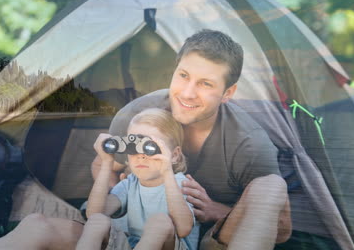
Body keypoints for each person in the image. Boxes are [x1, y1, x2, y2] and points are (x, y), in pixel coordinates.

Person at [91, 29, 292, 250]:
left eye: (206, 84)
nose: (187, 93)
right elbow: (103, 164)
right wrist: (125, 195)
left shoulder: (248, 143)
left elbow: (282, 230)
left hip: (217, 240)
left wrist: (217, 211)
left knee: (272, 185)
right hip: (151, 237)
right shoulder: (139, 117)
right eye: (183, 75)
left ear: (228, 93)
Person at [78, 108, 199, 250]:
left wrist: (166, 171)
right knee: (98, 220)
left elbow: (184, 228)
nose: (140, 155)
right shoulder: (130, 184)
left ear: (174, 155)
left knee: (159, 221)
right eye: (133, 147)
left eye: (150, 147)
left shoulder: (181, 184)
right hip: (133, 245)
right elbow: (93, 214)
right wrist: (106, 162)